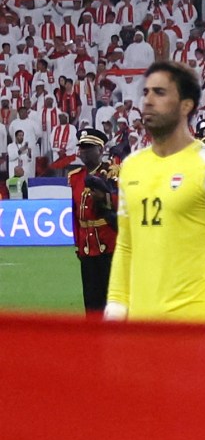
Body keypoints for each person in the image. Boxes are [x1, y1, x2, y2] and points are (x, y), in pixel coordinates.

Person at [106, 62, 205, 323]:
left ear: (186, 105)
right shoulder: (131, 166)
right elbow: (126, 245)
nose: (148, 100)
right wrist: (116, 307)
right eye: (146, 92)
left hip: (195, 326)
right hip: (141, 327)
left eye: (160, 92)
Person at [67, 127, 117, 314]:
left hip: (108, 246)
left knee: (111, 302)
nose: (84, 151)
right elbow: (75, 214)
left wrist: (105, 200)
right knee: (91, 302)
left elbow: (120, 206)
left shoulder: (111, 173)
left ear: (101, 150)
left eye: (89, 147)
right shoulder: (75, 177)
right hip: (87, 248)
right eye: (82, 147)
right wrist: (78, 246)